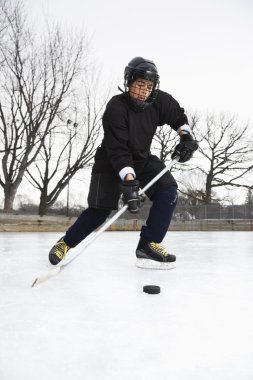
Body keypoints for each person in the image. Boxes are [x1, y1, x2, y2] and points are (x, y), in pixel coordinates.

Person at [48, 57, 198, 269]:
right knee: (99, 212)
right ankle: (65, 243)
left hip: (142, 158)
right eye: (139, 84)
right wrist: (129, 182)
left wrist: (186, 137)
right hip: (110, 161)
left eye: (148, 86)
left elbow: (178, 117)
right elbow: (118, 151)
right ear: (129, 82)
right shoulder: (116, 107)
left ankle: (149, 243)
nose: (143, 90)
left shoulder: (160, 101)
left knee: (168, 192)